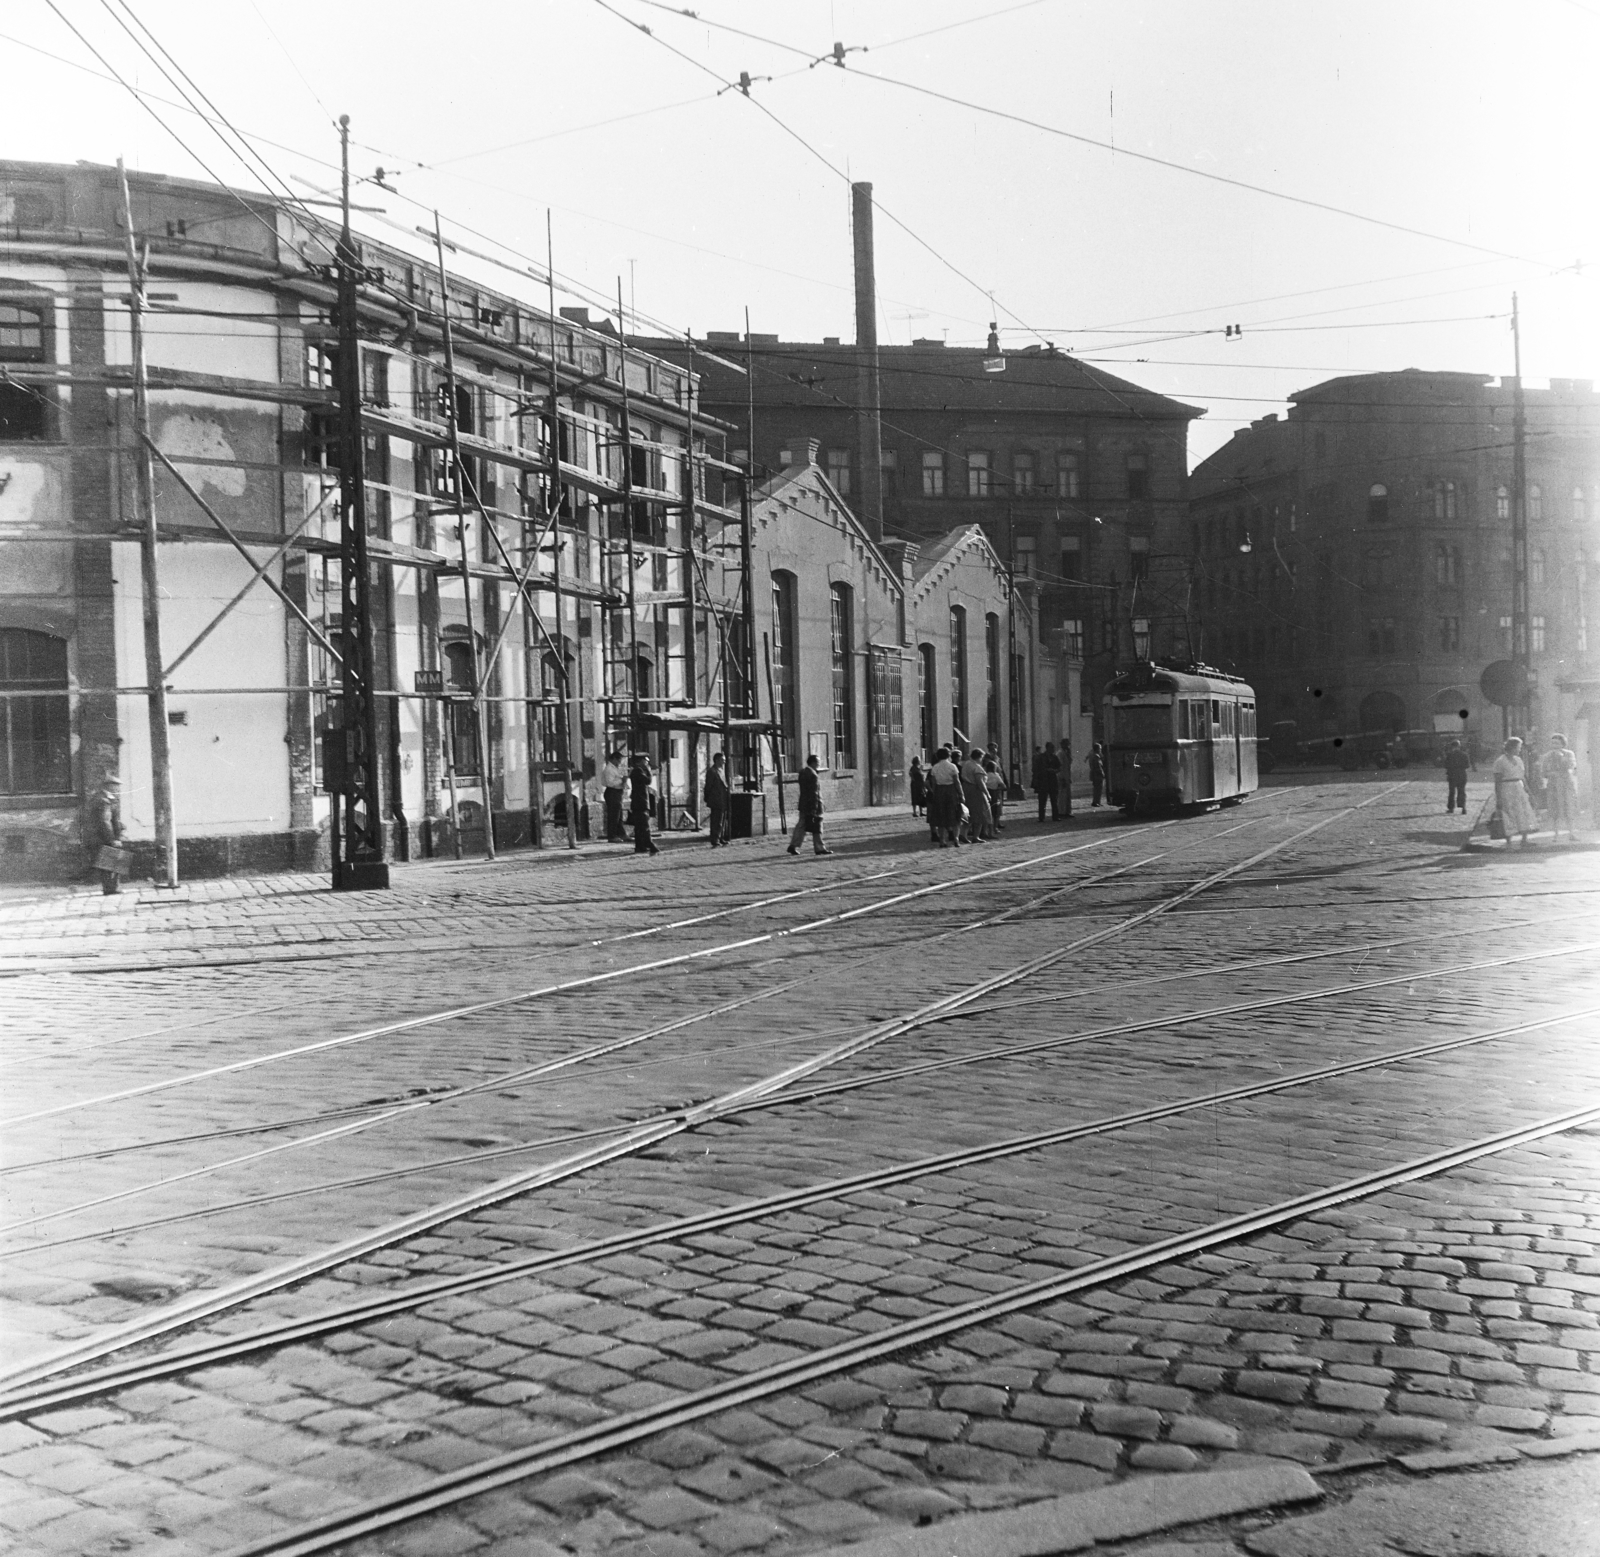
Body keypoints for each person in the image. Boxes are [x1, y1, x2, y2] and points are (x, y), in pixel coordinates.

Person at [1492, 736, 1537, 847]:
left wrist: (1529, 792)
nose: (1519, 750)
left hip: (1519, 787)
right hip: (1507, 788)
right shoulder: (1500, 761)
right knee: (1509, 813)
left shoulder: (1518, 760)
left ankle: (1524, 839)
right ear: (1511, 747)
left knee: (1524, 811)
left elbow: (1522, 777)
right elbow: (1497, 781)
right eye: (1518, 747)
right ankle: (1509, 842)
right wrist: (1499, 798)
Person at [787, 752, 831, 855]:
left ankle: (794, 845)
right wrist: (815, 807)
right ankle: (819, 847)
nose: (819, 764)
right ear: (813, 763)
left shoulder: (803, 773)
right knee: (817, 826)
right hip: (812, 805)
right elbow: (814, 793)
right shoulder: (813, 775)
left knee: (801, 826)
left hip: (804, 804)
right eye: (818, 762)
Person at [1540, 733, 1581, 840]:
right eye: (1553, 743)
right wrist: (1550, 774)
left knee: (1569, 808)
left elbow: (1572, 767)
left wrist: (1562, 759)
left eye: (1557, 743)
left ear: (1563, 744)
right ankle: (1556, 834)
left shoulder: (1569, 754)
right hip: (1553, 786)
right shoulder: (1547, 756)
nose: (1554, 745)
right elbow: (1543, 772)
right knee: (1555, 809)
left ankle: (1571, 833)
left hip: (1566, 784)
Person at [90, 775, 125, 895]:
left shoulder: (107, 798)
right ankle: (111, 888)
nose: (118, 789)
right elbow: (105, 821)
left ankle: (112, 888)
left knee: (111, 862)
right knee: (109, 863)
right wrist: (112, 839)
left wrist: (120, 826)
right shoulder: (103, 800)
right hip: (103, 837)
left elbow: (113, 819)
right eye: (116, 786)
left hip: (104, 836)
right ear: (108, 786)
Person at [927, 745, 962, 847]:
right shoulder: (952, 766)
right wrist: (961, 793)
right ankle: (956, 839)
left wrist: (934, 793)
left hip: (939, 791)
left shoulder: (935, 767)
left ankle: (942, 840)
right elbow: (957, 781)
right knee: (955, 815)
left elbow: (933, 783)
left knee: (941, 816)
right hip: (951, 790)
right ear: (949, 755)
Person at [628, 753, 659, 856]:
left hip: (639, 802)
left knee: (640, 827)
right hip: (640, 802)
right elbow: (648, 781)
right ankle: (649, 844)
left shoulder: (637, 771)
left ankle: (640, 846)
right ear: (640, 761)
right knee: (644, 825)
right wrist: (649, 771)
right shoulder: (638, 771)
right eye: (646, 761)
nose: (647, 763)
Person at [959, 747, 993, 842]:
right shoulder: (976, 767)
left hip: (966, 788)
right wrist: (987, 793)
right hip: (975, 790)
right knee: (979, 813)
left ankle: (963, 834)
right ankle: (976, 836)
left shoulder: (966, 764)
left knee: (967, 813)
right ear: (979, 757)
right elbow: (980, 782)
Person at [703, 752, 730, 847]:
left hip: (723, 798)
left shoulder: (721, 770)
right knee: (716, 820)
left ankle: (720, 837)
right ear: (717, 760)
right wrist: (707, 797)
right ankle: (715, 839)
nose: (724, 762)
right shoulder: (712, 771)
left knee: (722, 819)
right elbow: (708, 786)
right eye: (723, 760)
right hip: (715, 799)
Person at [601, 749, 627, 841]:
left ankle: (621, 834)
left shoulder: (615, 768)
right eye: (619, 760)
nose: (620, 762)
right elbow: (610, 783)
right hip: (612, 792)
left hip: (617, 792)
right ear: (614, 759)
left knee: (619, 815)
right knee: (613, 815)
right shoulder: (609, 769)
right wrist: (622, 780)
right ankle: (612, 836)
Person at [1034, 742, 1062, 822]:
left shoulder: (1055, 757)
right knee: (1042, 800)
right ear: (1047, 748)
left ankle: (1055, 816)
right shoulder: (1041, 757)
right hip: (1044, 781)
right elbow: (1037, 768)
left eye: (1053, 748)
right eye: (1051, 748)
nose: (1053, 749)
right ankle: (1041, 817)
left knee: (1054, 800)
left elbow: (1059, 767)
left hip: (1053, 780)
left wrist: (1055, 771)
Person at [1443, 739, 1472, 814]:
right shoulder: (1464, 754)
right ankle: (1463, 808)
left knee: (1452, 792)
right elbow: (1467, 765)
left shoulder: (1449, 755)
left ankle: (1451, 808)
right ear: (1459, 746)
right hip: (1462, 775)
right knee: (1462, 791)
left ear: (1452, 747)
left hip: (1452, 776)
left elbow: (1446, 765)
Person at [983, 756, 1007, 831]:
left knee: (987, 810)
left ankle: (986, 828)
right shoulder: (996, 775)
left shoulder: (985, 775)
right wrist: (998, 788)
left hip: (986, 793)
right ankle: (995, 827)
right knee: (996, 812)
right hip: (995, 793)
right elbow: (1003, 786)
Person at [1089, 742, 1107, 808]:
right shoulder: (1096, 756)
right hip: (1097, 774)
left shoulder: (1093, 755)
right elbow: (1098, 766)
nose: (1100, 750)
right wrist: (1102, 773)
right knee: (1098, 788)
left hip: (1094, 774)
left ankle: (1097, 801)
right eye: (1100, 748)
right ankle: (1096, 801)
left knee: (1097, 788)